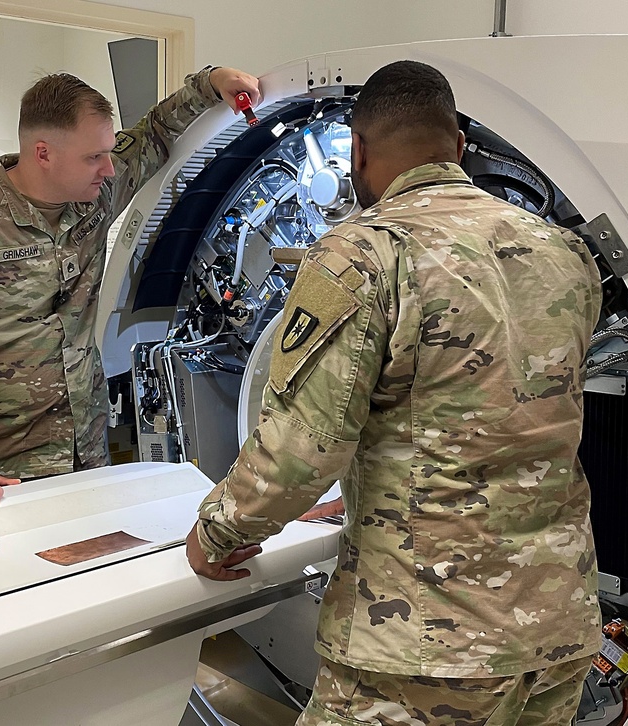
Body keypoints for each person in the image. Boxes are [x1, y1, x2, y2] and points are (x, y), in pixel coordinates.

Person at [186, 61, 603, 725]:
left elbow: (304, 448)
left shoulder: (363, 253)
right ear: (459, 146)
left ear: (357, 150)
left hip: (424, 648)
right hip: (557, 630)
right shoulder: (565, 253)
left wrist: (219, 530)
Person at [0, 66, 260, 518]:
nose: (109, 169)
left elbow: (153, 132)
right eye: (94, 157)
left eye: (108, 154)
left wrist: (211, 85)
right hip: (3, 471)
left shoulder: (94, 195)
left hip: (87, 452)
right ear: (43, 153)